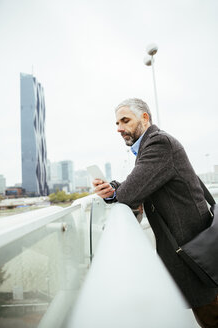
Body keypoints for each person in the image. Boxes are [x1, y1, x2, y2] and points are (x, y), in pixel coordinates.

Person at [93, 98, 218, 328]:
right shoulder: (151, 146)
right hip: (193, 247)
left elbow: (131, 191)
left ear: (145, 118)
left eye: (125, 120)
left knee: (211, 315)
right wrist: (112, 189)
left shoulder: (158, 144)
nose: (119, 128)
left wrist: (114, 193)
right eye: (117, 123)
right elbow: (140, 182)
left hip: (192, 252)